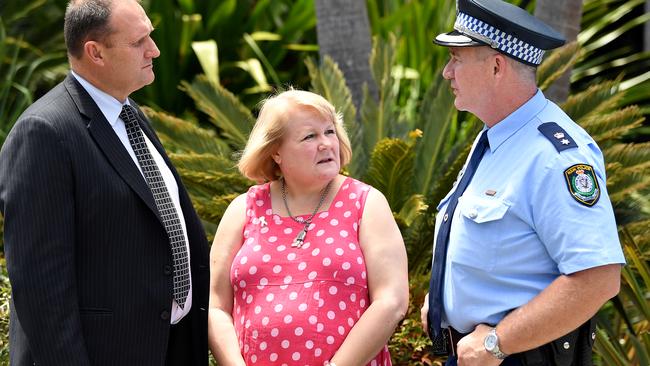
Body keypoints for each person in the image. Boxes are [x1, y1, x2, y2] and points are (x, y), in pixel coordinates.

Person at [0, 0, 210, 365]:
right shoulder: (44, 133)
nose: (154, 50)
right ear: (95, 53)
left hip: (166, 346)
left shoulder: (127, 113)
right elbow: (41, 288)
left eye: (151, 35)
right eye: (138, 41)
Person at [419, 0, 626, 365]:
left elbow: (599, 277)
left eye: (457, 59)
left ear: (497, 66)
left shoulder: (554, 155)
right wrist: (443, 299)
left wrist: (496, 343)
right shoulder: (500, 137)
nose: (446, 73)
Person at [208, 89, 409, 365]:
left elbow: (392, 301)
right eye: (309, 136)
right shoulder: (243, 209)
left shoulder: (366, 203)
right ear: (276, 152)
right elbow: (215, 307)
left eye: (329, 131)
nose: (326, 143)